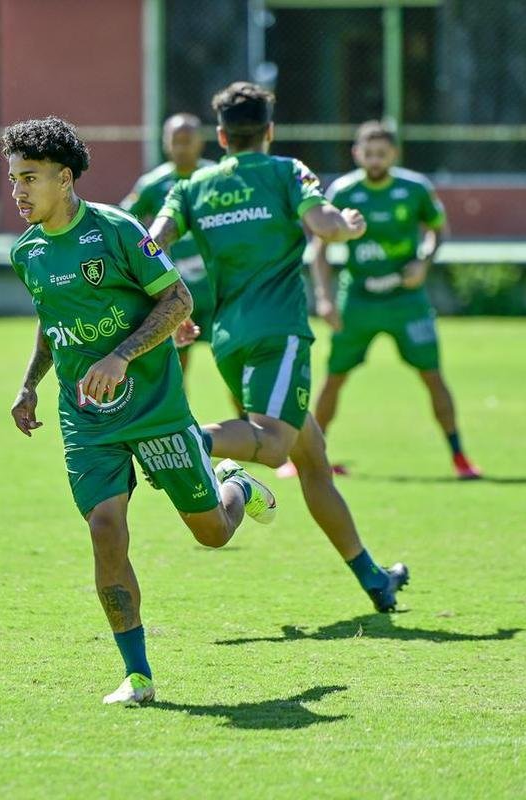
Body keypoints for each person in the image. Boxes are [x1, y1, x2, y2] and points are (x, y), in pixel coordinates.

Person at [3, 116, 277, 706]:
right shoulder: (25, 252)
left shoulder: (118, 230)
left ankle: (233, 486)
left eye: (30, 178)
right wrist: (29, 386)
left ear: (65, 177)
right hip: (86, 417)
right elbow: (52, 324)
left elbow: (178, 297)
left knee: (211, 536)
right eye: (13, 179)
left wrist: (124, 355)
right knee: (106, 529)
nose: (19, 191)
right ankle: (138, 676)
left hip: (154, 407)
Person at [148, 82, 410, 614]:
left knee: (311, 458)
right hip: (280, 334)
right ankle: (187, 441)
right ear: (269, 131)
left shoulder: (193, 186)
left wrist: (169, 310)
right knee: (270, 445)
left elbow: (152, 243)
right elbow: (322, 224)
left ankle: (373, 578)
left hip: (227, 340)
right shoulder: (287, 171)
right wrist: (349, 226)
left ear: (220, 136)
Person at [291, 120, 481, 481]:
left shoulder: (414, 189)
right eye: (369, 153)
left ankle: (460, 458)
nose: (375, 159)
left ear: (394, 154)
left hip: (406, 300)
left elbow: (437, 230)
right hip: (358, 300)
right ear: (357, 153)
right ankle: (308, 459)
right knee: (334, 378)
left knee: (432, 375)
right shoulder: (344, 191)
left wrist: (424, 261)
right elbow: (318, 248)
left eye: (382, 153)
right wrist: (325, 299)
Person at [121, 113, 216, 375]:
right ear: (166, 143)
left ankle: (245, 417)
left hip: (217, 289)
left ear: (201, 142)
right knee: (175, 367)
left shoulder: (215, 179)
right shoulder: (153, 184)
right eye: (176, 141)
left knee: (231, 364)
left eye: (188, 140)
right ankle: (179, 417)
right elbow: (124, 224)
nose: (182, 147)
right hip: (175, 291)